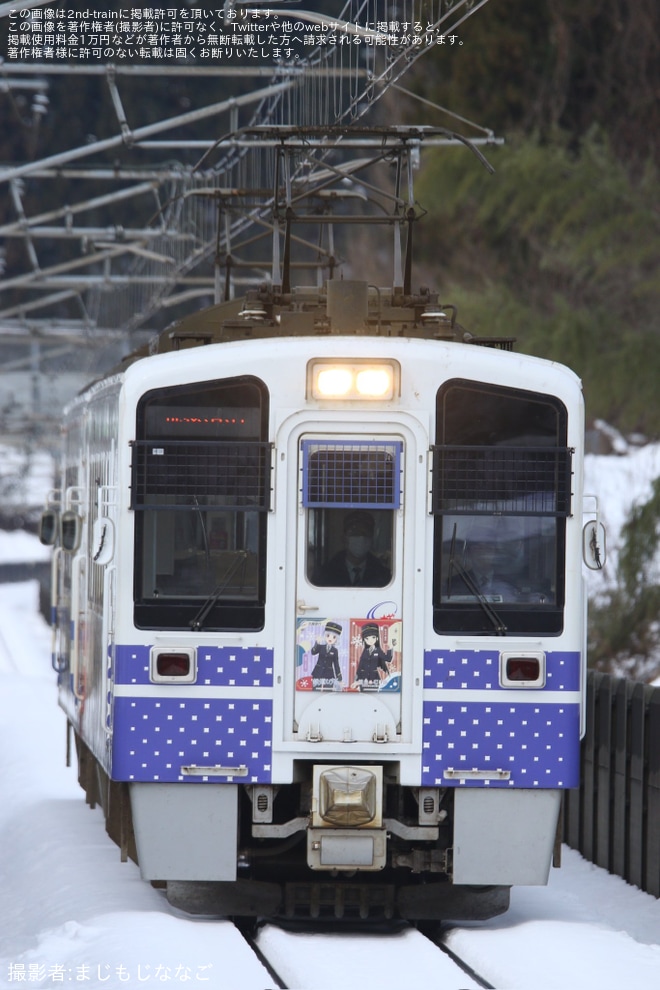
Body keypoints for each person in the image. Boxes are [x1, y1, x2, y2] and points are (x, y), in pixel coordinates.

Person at [313, 510, 391, 587]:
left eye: (365, 533)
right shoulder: (325, 574)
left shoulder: (383, 575)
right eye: (355, 532)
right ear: (344, 538)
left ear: (371, 539)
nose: (361, 537)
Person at [448, 522, 520, 601]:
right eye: (477, 547)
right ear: (468, 552)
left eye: (488, 546)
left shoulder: (508, 582)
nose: (483, 552)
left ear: (495, 550)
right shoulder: (457, 582)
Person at [353, 623, 392, 690]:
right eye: (367, 638)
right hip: (364, 679)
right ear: (364, 640)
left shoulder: (378, 650)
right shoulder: (365, 651)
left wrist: (390, 648)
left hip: (374, 679)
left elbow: (388, 659)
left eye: (373, 637)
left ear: (377, 638)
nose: (370, 641)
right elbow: (361, 665)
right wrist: (356, 679)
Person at [310, 620, 343, 688]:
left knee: (328, 690)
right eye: (328, 635)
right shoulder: (321, 647)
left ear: (337, 639)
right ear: (325, 636)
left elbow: (336, 664)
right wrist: (317, 643)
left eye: (334, 637)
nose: (330, 638)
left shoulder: (335, 650)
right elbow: (313, 652)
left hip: (329, 674)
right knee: (315, 689)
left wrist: (339, 678)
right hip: (318, 672)